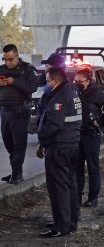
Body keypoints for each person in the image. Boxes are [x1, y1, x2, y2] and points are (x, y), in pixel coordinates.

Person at [37, 67, 82, 237]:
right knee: (69, 184)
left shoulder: (60, 97)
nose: (46, 84)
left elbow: (54, 125)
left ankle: (61, 226)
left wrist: (42, 141)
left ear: (55, 81)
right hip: (71, 145)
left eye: (48, 81)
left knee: (58, 188)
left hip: (59, 147)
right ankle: (70, 222)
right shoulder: (72, 91)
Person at [0, 44, 37, 184]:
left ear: (17, 56)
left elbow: (32, 87)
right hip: (4, 111)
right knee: (8, 142)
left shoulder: (27, 69)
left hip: (20, 111)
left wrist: (13, 82)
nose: (7, 62)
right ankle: (16, 171)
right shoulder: (1, 69)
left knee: (19, 144)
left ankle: (16, 174)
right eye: (5, 59)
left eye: (10, 59)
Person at [74, 69, 104, 208]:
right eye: (75, 81)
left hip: (91, 134)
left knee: (93, 167)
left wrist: (98, 122)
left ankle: (93, 197)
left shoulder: (96, 92)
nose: (77, 84)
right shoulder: (76, 92)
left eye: (80, 82)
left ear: (88, 80)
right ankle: (76, 197)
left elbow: (87, 108)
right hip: (77, 133)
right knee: (77, 167)